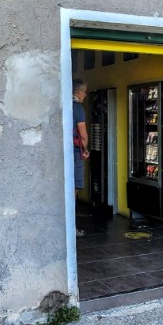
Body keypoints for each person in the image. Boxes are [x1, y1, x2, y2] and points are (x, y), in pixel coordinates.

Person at [72, 79, 90, 236]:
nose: (85, 94)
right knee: (74, 190)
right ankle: (72, 228)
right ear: (78, 92)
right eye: (84, 91)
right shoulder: (78, 108)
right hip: (74, 153)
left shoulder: (63, 104)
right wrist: (85, 150)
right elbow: (83, 135)